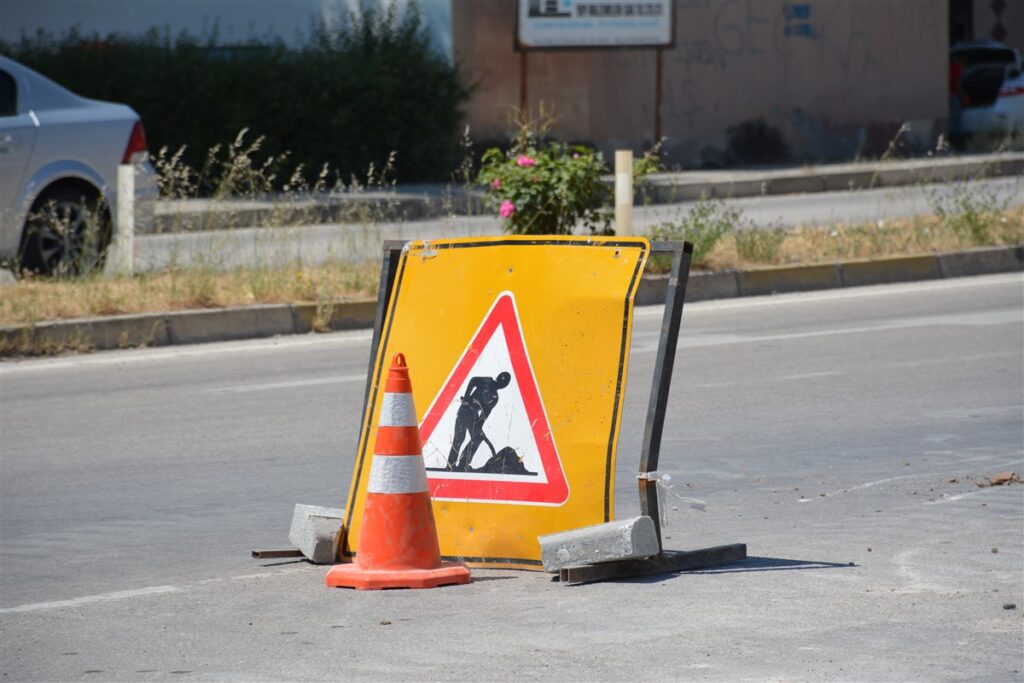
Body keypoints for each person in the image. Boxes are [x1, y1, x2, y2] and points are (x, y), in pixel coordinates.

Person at [448, 372, 511, 471]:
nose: (501, 383)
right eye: (501, 380)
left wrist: (479, 425)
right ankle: (450, 466)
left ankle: (462, 464)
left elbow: (485, 413)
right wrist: (467, 396)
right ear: (498, 378)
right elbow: (473, 381)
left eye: (504, 382)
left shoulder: (494, 397)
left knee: (477, 438)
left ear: (504, 386)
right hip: (465, 409)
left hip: (473, 416)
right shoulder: (488, 380)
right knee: (459, 438)